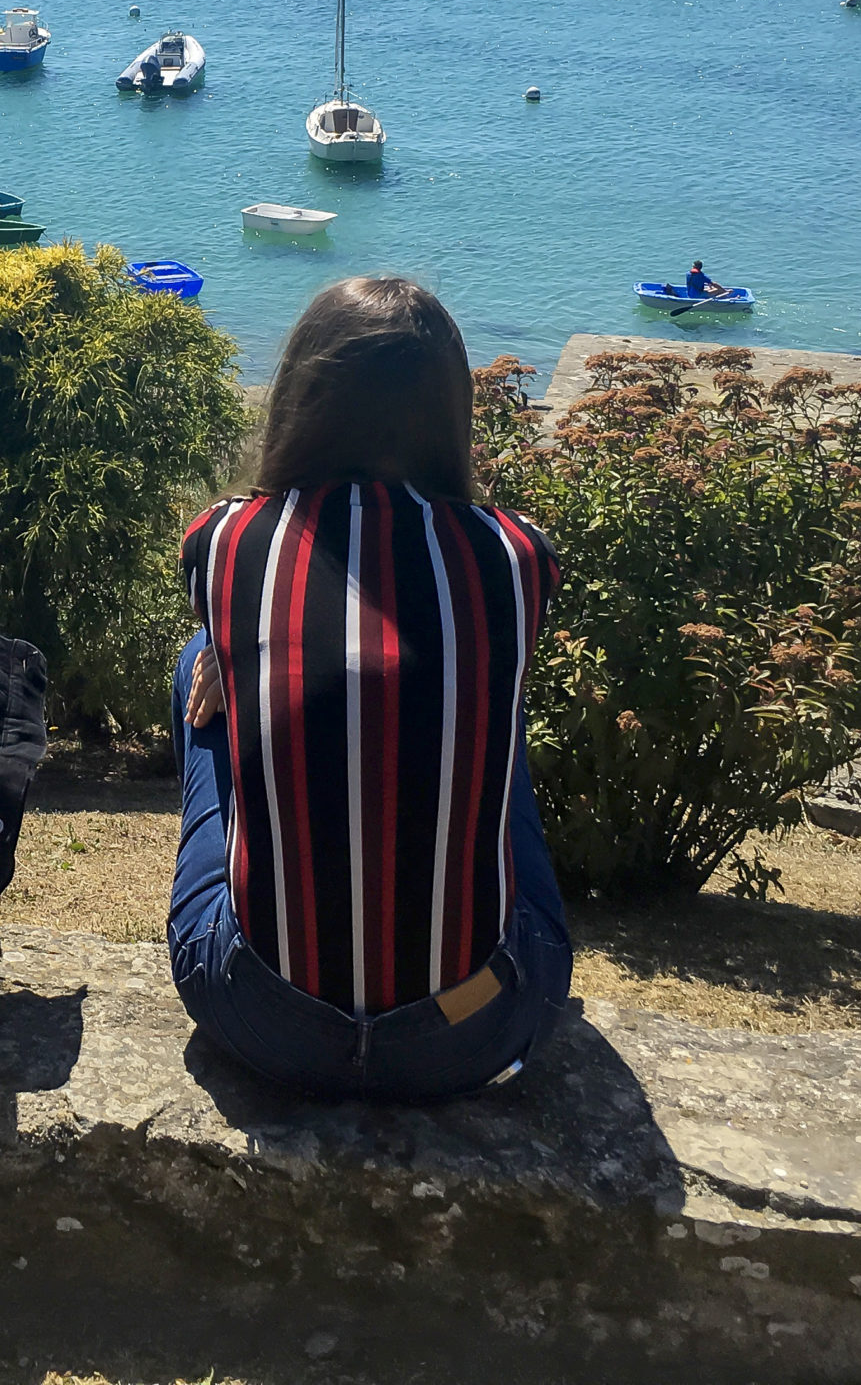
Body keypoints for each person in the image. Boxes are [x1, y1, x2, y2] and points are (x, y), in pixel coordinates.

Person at [171, 276, 570, 1100]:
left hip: (262, 1018)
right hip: (471, 1031)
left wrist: (225, 647)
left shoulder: (228, 539)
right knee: (495, 698)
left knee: (196, 663)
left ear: (298, 399)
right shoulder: (516, 558)